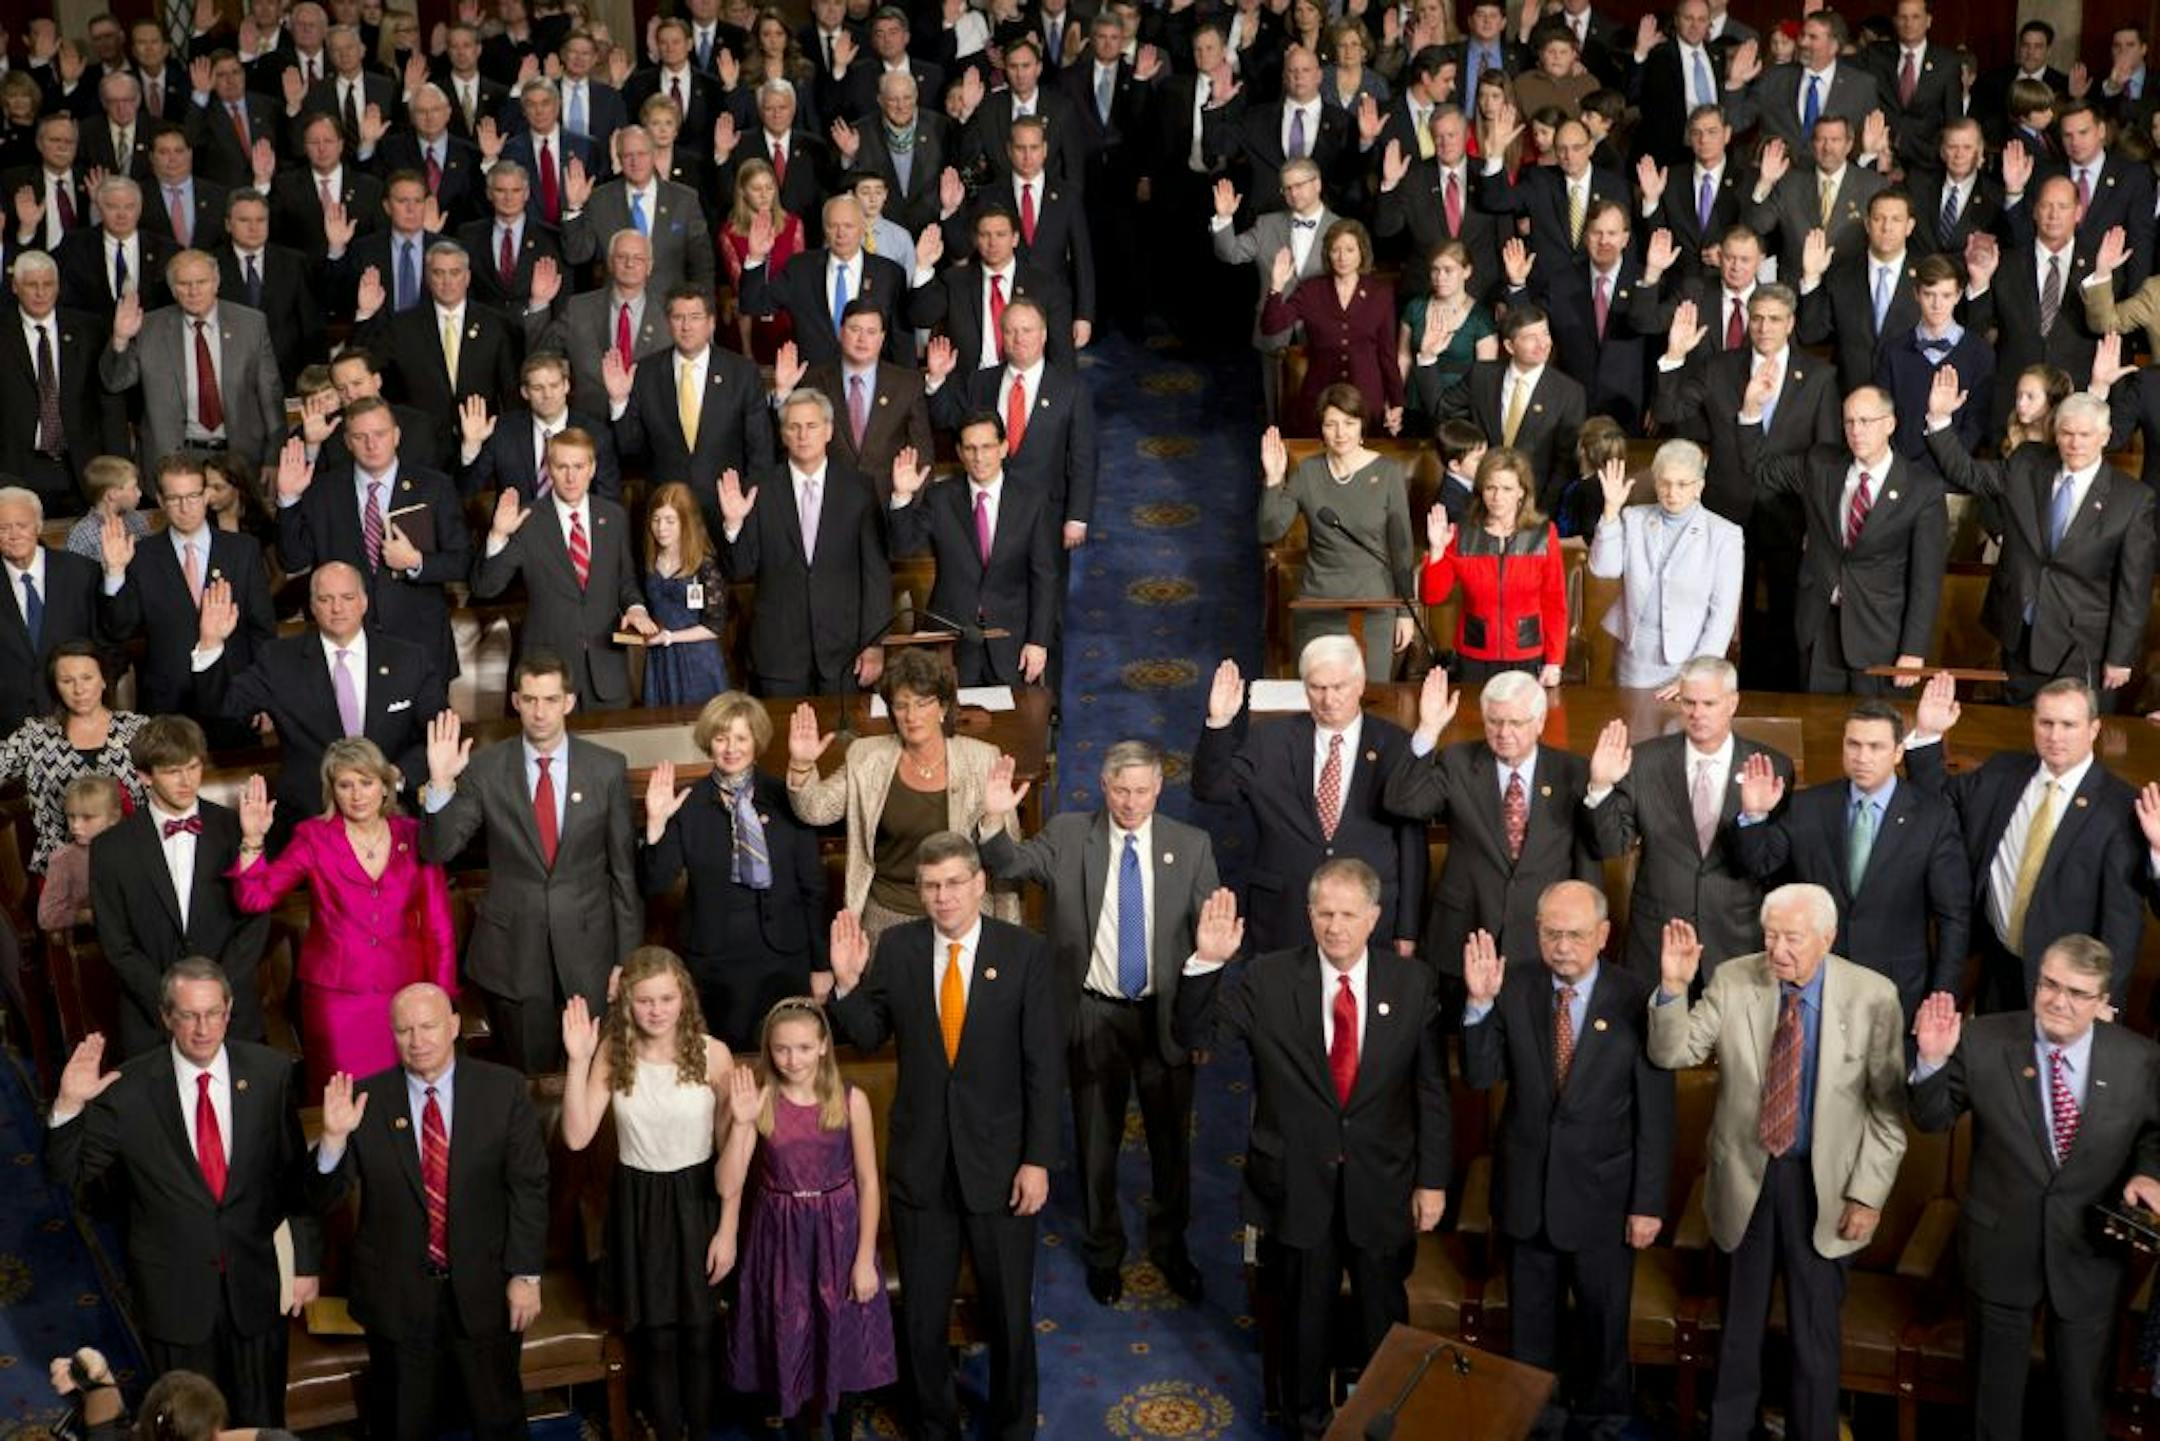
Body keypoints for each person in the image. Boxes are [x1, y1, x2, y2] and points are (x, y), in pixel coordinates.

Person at [1176, 858, 1448, 1440]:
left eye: (1349, 913)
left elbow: (1431, 1092)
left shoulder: (1412, 982)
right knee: (1304, 1329)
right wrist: (1206, 965)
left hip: (1381, 1186)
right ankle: (1307, 1427)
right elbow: (1197, 1038)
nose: (1335, 926)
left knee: (1384, 1325)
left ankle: (1384, 1426)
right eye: (1324, 912)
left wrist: (1432, 1181)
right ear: (1308, 914)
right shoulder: (1268, 979)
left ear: (1374, 918)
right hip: (1296, 1186)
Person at [823, 832, 1063, 1441]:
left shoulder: (1025, 953)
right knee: (923, 1321)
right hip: (923, 1164)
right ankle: (934, 1428)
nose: (943, 896)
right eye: (931, 886)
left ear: (980, 884)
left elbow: (1044, 1068)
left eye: (955, 882)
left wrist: (1037, 1159)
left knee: (1009, 1317)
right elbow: (869, 1035)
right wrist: (847, 987)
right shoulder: (898, 947)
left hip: (1001, 1165)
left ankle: (1013, 1428)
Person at [1649, 887, 1908, 1441]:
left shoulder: (1874, 997)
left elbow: (1888, 1116)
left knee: (1814, 1341)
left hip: (1827, 1189)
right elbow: (1674, 1053)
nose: (1778, 950)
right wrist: (1673, 987)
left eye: (1792, 938)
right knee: (1738, 1332)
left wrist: (1868, 1195)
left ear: (1827, 937)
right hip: (1746, 1180)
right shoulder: (1734, 978)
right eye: (1770, 936)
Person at [975, 740, 1223, 1307]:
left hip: (1163, 1014)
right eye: (1120, 791)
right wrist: (993, 817)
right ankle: (1103, 1251)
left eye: (1142, 791)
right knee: (1094, 1143)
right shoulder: (1066, 835)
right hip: (1090, 1011)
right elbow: (1009, 864)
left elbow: (1212, 943)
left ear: (1159, 788)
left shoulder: (1192, 847)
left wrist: (1199, 1026)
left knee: (1170, 1147)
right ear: (1103, 788)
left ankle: (1169, 1246)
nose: (1131, 802)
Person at [45, 961, 321, 1429]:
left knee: (261, 1424)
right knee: (185, 1432)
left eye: (214, 1013)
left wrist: (306, 1265)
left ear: (230, 1011)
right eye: (190, 1015)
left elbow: (293, 1182)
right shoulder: (128, 1089)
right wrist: (70, 1104)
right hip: (175, 1299)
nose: (203, 1028)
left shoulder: (271, 1073)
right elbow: (67, 1173)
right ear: (166, 1016)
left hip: (255, 1288)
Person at [1910, 938, 2160, 1441]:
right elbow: (1931, 1118)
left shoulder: (2139, 1059)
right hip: (2000, 1249)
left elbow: (2155, 1131)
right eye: (2049, 984)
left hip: (2089, 1255)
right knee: (1993, 1410)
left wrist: (2147, 1173)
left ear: (2101, 999)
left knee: (2080, 1411)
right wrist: (1932, 1061)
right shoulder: (1983, 1040)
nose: (2059, 1002)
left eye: (2077, 992)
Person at [1459, 881, 1672, 1438]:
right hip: (1527, 1193)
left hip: (1605, 1199)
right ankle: (1539, 1426)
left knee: (1604, 1330)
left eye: (1575, 934)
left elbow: (1656, 1113)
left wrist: (1648, 1203)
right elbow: (1483, 1077)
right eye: (1551, 933)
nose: (1562, 946)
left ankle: (1602, 1424)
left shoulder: (1636, 998)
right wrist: (1480, 1004)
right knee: (1532, 1332)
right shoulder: (1513, 987)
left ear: (1603, 935)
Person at [309, 983, 549, 1441]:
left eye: (428, 1026)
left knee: (498, 1421)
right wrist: (334, 1141)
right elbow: (322, 1199)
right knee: (401, 1425)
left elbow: (529, 1187)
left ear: (455, 1026)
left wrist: (526, 1274)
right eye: (404, 1030)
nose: (417, 1040)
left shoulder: (504, 1090)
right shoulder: (366, 1100)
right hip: (396, 1299)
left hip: (486, 1290)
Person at [420, 657, 643, 1072]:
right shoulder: (485, 769)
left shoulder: (606, 768)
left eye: (551, 699)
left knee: (594, 1078)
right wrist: (440, 785)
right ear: (516, 702)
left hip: (590, 953)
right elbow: (439, 850)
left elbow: (623, 873)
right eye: (531, 699)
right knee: (526, 1081)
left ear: (569, 702)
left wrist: (626, 960)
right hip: (513, 956)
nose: (540, 712)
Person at [560, 949, 734, 1441]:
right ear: (627, 1003)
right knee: (656, 1340)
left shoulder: (713, 1054)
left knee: (701, 1337)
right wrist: (577, 1061)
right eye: (644, 1000)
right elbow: (576, 1135)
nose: (656, 1010)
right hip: (639, 1205)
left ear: (684, 998)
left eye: (666, 998)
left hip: (699, 1199)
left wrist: (728, 1228)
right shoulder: (614, 1053)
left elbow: (733, 1153)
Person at [1903, 673, 2146, 1011]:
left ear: (2094, 729)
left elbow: (2122, 924)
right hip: (1996, 966)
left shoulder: (2119, 808)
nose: (2055, 736)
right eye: (2046, 722)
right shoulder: (2003, 771)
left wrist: (2106, 1002)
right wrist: (1929, 734)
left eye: (2068, 724)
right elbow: (1937, 803)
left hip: (2066, 993)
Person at [230, 743, 457, 1096]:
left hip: (407, 993)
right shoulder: (314, 837)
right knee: (341, 1099)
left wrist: (441, 999)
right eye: (345, 785)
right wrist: (253, 840)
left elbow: (439, 928)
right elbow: (254, 898)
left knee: (405, 1098)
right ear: (331, 790)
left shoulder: (415, 835)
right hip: (337, 998)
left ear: (385, 785)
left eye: (366, 783)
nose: (357, 795)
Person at [717, 997, 898, 1438]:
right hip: (779, 1237)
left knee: (845, 1336)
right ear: (768, 1050)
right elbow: (727, 1184)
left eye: (802, 1047)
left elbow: (869, 1183)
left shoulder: (850, 1100)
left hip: (838, 1234)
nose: (791, 1059)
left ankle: (845, 1426)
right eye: (781, 1049)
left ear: (822, 1047)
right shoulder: (759, 1100)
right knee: (791, 1337)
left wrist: (862, 1259)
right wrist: (740, 1124)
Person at [1924, 374, 2154, 704]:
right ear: (2055, 434)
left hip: (2083, 647)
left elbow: (2134, 589)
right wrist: (1940, 420)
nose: (2075, 443)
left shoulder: (2132, 500)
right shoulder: (2027, 463)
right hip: (2020, 634)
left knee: (2070, 740)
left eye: (2085, 435)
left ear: (2105, 436)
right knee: (2019, 735)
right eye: (2067, 433)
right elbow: (1968, 473)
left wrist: (2120, 656)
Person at [1732, 701, 1970, 1018]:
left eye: (1876, 746)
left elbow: (1953, 916)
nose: (1862, 757)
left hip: (1896, 988)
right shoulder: (1807, 806)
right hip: (1816, 980)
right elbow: (1760, 863)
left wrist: (1942, 995)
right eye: (1853, 744)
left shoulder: (1933, 817)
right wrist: (1755, 815)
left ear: (1898, 753)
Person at [1192, 637, 1427, 958]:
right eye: (1317, 688)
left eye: (1339, 687)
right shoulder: (1269, 740)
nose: (1329, 699)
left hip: (1367, 917)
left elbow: (1411, 842)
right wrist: (1219, 722)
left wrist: (1407, 928)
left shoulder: (1395, 745)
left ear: (1360, 684)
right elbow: (1213, 790)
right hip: (1285, 913)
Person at [785, 648, 1022, 939]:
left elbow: (1007, 867)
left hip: (961, 914)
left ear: (943, 707)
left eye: (923, 703)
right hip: (886, 915)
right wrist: (802, 764)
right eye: (901, 705)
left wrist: (1011, 941)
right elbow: (815, 810)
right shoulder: (866, 757)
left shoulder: (982, 759)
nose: (912, 716)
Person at [1383, 667, 1597, 987]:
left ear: (1539, 722)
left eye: (1515, 722)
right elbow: (1403, 802)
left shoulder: (1572, 771)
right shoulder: (1457, 761)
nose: (1504, 732)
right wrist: (1427, 730)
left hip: (1540, 941)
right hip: (1464, 932)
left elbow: (1590, 854)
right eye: (1494, 722)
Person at [1585, 655, 1794, 977]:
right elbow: (1610, 846)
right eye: (1689, 703)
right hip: (1657, 940)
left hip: (1734, 942)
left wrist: (1754, 817)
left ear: (1732, 703)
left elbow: (1766, 867)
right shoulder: (1644, 762)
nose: (1697, 714)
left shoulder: (1771, 767)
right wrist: (1600, 786)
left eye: (1709, 703)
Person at [192, 563, 445, 827]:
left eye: (347, 598)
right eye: (326, 599)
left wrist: (395, 777)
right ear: (312, 606)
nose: (337, 608)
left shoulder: (409, 659)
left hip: (390, 811)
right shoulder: (279, 659)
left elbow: (441, 735)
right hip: (309, 816)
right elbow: (223, 708)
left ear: (364, 602)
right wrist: (210, 644)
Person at [641, 694, 830, 1047]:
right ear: (708, 742)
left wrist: (821, 965)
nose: (731, 749)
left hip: (783, 956)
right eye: (721, 738)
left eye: (741, 738)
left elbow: (812, 888)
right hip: (715, 964)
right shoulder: (690, 803)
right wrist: (656, 825)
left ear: (756, 742)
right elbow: (656, 882)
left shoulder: (786, 796)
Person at [1735, 379, 1947, 694]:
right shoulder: (1821, 464)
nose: (1856, 430)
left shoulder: (1922, 488)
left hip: (1879, 635)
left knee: (1873, 732)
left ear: (1889, 424)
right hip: (1818, 626)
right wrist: (1752, 410)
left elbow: (1926, 579)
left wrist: (1913, 649)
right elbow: (1759, 468)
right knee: (1817, 731)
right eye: (1849, 422)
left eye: (1865, 421)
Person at [90, 715, 267, 1057]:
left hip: (233, 1017)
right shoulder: (110, 849)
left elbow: (255, 923)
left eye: (193, 767)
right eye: (172, 772)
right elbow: (116, 943)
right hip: (152, 1020)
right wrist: (172, 1003)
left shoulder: (239, 829)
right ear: (144, 776)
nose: (187, 781)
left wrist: (215, 999)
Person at [714, 388, 892, 696]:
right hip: (778, 657)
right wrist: (733, 524)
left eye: (811, 426)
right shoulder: (759, 489)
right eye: (793, 427)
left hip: (844, 654)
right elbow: (741, 569)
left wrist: (874, 645)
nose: (802, 435)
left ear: (828, 431)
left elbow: (875, 576)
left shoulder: (858, 489)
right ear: (782, 434)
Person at [97, 455, 277, 748]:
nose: (185, 507)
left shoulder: (242, 551)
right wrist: (115, 572)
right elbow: (119, 629)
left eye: (193, 495)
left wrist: (267, 697)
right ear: (160, 499)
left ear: (206, 494)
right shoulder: (142, 557)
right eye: (175, 498)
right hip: (168, 706)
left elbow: (263, 632)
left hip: (234, 700)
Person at [472, 428, 659, 710]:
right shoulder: (527, 520)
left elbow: (626, 581)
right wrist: (498, 535)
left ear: (592, 468)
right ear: (548, 469)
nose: (571, 477)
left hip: (607, 673)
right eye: (562, 467)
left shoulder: (614, 517)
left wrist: (636, 608)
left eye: (578, 466)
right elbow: (486, 588)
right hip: (547, 678)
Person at [886, 416, 1060, 688]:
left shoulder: (1032, 501)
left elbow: (1045, 576)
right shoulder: (939, 497)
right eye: (970, 448)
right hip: (950, 641)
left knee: (1012, 727)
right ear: (959, 452)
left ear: (1003, 448)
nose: (979, 457)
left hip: (1010, 640)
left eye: (987, 447)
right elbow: (903, 547)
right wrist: (902, 498)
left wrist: (1038, 641)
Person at [1257, 389, 1416, 677]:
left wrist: (1406, 611)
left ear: (1362, 426)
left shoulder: (1389, 472)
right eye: (1331, 424)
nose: (1341, 433)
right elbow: (1270, 529)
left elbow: (1401, 548)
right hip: (1319, 605)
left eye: (1349, 423)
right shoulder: (1308, 471)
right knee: (1318, 699)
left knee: (1373, 703)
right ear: (1321, 429)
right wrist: (1274, 479)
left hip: (1375, 606)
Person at [605, 284, 778, 515]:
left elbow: (760, 451)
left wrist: (753, 507)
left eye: (695, 317)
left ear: (711, 322)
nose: (686, 326)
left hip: (727, 510)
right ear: (668, 323)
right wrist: (618, 402)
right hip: (667, 513)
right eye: (678, 317)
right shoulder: (646, 373)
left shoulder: (742, 373)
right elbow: (631, 448)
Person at [1586, 442, 1743, 690]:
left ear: (1699, 487)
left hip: (1688, 660)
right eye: (1665, 482)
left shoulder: (1725, 535)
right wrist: (1611, 511)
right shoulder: (1633, 518)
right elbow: (1605, 568)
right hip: (1635, 658)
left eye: (1682, 484)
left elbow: (1722, 616)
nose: (1672, 492)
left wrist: (1696, 674)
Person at [1418, 446, 1567, 685]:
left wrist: (1554, 660)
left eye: (1507, 489)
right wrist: (1437, 551)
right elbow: (1432, 596)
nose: (1497, 497)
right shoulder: (1461, 533)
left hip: (1527, 654)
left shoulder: (1543, 535)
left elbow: (1554, 602)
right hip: (1474, 656)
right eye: (1490, 488)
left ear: (1522, 492)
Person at [0, 640, 147, 874]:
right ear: (55, 687)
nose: (79, 690)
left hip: (133, 863)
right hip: (60, 870)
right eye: (67, 681)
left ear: (103, 681)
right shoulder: (35, 735)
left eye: (87, 678)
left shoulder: (137, 730)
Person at [1, 251, 127, 515]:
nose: (40, 293)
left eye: (47, 284)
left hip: (81, 466)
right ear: (15, 286)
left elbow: (109, 396)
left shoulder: (89, 329)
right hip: (16, 468)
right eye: (31, 285)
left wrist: (118, 464)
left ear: (58, 286)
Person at [1428, 303, 1587, 505]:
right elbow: (1442, 410)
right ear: (1510, 346)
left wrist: (1543, 513)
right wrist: (1427, 358)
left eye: (1545, 334)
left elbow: (1566, 463)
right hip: (1479, 503)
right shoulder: (1482, 376)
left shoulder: (1570, 392)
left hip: (1532, 507)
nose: (1542, 344)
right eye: (1531, 338)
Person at [1259, 219, 1403, 437]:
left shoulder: (1380, 293)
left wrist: (1396, 401)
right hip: (1320, 397)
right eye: (1335, 250)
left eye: (1349, 250)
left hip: (1366, 397)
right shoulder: (1311, 290)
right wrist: (1276, 286)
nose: (1342, 257)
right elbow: (1271, 326)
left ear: (1361, 252)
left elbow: (1387, 353)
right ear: (1327, 254)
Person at [639, 481, 729, 706]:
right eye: (656, 520)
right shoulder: (650, 559)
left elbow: (714, 626)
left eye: (670, 521)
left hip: (696, 660)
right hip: (660, 659)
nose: (661, 528)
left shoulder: (703, 564)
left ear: (685, 522)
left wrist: (670, 637)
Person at [1399, 241, 1498, 426]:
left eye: (1448, 270)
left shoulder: (1481, 318)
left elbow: (1484, 377)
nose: (1440, 277)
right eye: (1435, 270)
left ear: (1467, 271)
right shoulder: (1415, 307)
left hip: (1458, 407)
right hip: (1415, 399)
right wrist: (1396, 400)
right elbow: (1403, 358)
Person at [717, 157, 803, 361]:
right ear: (743, 192)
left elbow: (799, 276)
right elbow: (743, 288)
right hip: (749, 319)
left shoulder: (793, 225)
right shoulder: (730, 233)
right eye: (757, 189)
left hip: (788, 316)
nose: (765, 195)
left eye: (769, 187)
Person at [39, 774, 124, 932]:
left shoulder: (129, 849)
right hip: (88, 937)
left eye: (87, 818)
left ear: (113, 817)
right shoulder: (63, 860)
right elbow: (47, 917)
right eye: (71, 817)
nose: (76, 826)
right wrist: (88, 915)